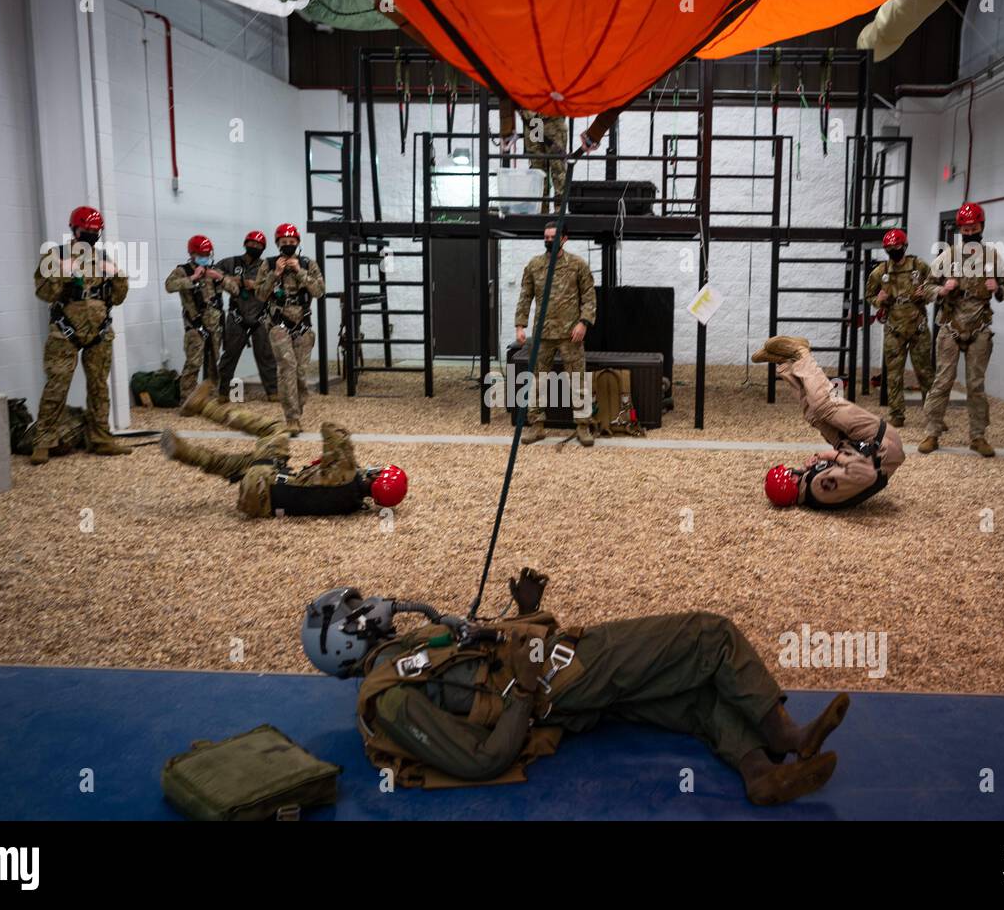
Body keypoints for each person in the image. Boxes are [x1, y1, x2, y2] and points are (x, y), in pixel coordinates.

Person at [302, 569, 849, 807]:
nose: (371, 608)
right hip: (561, 676)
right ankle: (786, 732)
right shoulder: (390, 697)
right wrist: (527, 683)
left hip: (549, 674)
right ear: (345, 639)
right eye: (357, 612)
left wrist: (525, 613)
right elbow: (481, 760)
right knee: (709, 635)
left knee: (693, 698)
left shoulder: (400, 656)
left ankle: (761, 775)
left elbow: (471, 664)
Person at [160, 381, 405, 518]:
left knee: (275, 430)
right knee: (235, 464)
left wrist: (348, 457)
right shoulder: (352, 504)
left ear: (376, 476)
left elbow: (331, 429)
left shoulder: (346, 473)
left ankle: (203, 406)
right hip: (257, 503)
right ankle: (181, 452)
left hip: (266, 481)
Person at [29, 205, 131, 465]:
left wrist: (118, 276)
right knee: (57, 386)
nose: (92, 235)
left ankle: (101, 439)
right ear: (74, 229)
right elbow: (44, 293)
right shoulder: (56, 255)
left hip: (99, 333)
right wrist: (63, 270)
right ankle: (44, 440)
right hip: (66, 332)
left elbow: (118, 298)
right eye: (87, 230)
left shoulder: (104, 258)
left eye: (96, 231)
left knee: (99, 387)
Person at [753, 336, 905, 510]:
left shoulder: (810, 489)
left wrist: (815, 463)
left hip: (863, 447)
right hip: (882, 443)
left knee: (813, 415)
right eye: (791, 472)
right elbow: (866, 474)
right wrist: (829, 456)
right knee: (824, 406)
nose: (795, 470)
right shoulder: (820, 487)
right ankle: (801, 353)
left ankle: (786, 363)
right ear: (792, 480)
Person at [919, 201, 1004, 457]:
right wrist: (942, 289)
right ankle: (932, 432)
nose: (970, 231)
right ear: (960, 229)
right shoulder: (947, 256)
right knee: (943, 381)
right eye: (966, 228)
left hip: (980, 327)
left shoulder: (992, 256)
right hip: (950, 325)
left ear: (982, 226)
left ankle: (978, 436)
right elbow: (924, 288)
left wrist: (999, 289)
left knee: (976, 384)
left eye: (974, 227)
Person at [514, 222, 597, 446]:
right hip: (543, 333)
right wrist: (520, 325)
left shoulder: (577, 265)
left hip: (571, 333)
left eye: (554, 236)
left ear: (564, 238)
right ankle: (537, 426)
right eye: (546, 237)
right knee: (538, 381)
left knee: (578, 380)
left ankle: (582, 427)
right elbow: (525, 296)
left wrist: (584, 322)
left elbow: (589, 296)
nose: (549, 240)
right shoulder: (534, 265)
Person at [256, 223, 324, 436]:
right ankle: (291, 418)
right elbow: (260, 294)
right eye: (284, 243)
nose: (288, 245)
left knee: (301, 374)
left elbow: (319, 291)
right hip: (278, 323)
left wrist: (300, 272)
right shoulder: (267, 265)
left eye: (291, 242)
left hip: (302, 324)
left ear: (298, 243)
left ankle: (297, 405)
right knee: (287, 367)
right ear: (277, 244)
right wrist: (275, 274)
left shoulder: (308, 264)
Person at [865, 228, 934, 428]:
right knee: (894, 375)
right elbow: (869, 295)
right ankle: (897, 413)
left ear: (904, 246)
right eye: (889, 249)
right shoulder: (881, 272)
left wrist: (925, 293)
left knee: (925, 373)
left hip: (918, 328)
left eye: (896, 247)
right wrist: (878, 301)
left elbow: (935, 287)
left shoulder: (919, 266)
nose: (893, 251)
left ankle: (933, 414)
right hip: (894, 329)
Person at [215, 230, 279, 403]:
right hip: (237, 317)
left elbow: (277, 287)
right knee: (229, 356)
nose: (255, 247)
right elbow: (213, 275)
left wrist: (256, 285)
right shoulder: (230, 263)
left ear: (263, 248)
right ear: (245, 243)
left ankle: (273, 392)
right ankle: (222, 393)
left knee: (266, 356)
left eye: (258, 245)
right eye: (252, 244)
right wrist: (233, 280)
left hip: (260, 317)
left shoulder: (265, 266)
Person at [165, 235, 225, 400]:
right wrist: (192, 278)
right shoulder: (182, 271)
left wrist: (221, 278)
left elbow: (234, 289)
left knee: (214, 361)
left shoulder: (215, 271)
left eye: (207, 255)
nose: (205, 259)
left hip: (215, 324)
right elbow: (169, 286)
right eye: (201, 255)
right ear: (192, 254)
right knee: (194, 361)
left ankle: (211, 394)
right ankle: (187, 396)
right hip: (195, 323)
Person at [519, 110, 568, 213]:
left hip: (552, 119)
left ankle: (559, 213)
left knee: (558, 169)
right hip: (533, 120)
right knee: (537, 172)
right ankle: (541, 211)